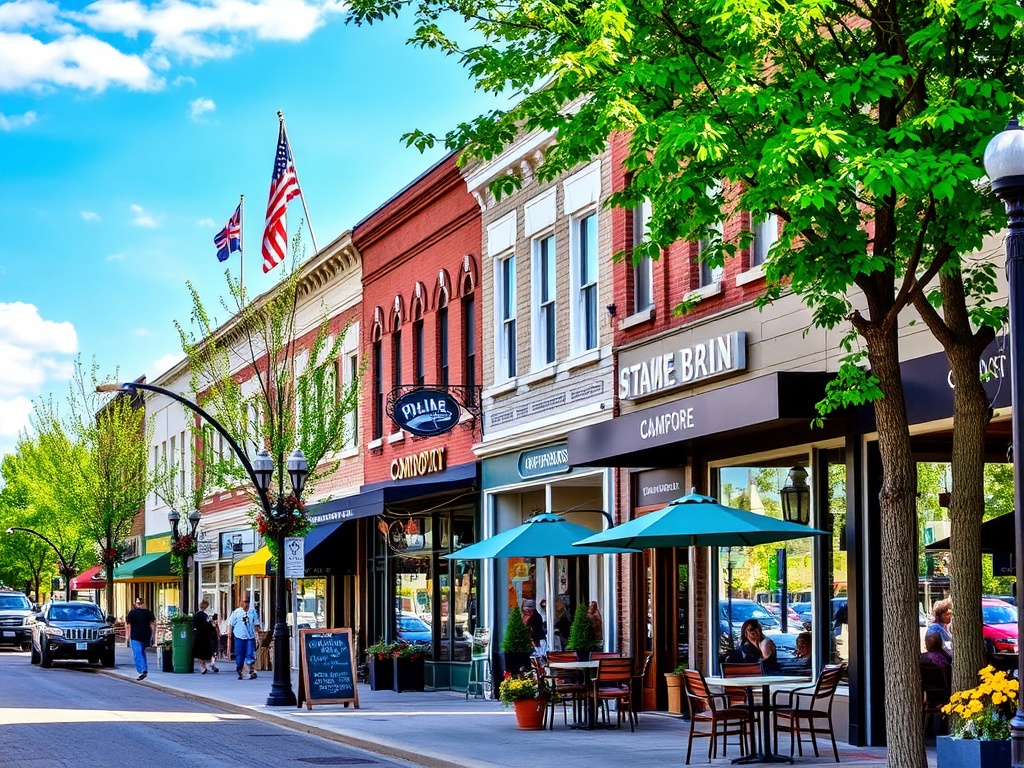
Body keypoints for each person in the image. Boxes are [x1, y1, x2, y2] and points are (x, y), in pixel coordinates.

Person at [228, 596, 261, 680]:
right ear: (241, 602)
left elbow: (256, 623)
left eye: (247, 602)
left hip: (250, 636)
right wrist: (229, 635)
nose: (246, 604)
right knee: (240, 655)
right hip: (239, 636)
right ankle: (240, 669)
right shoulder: (236, 612)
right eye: (244, 602)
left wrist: (257, 633)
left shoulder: (253, 612)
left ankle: (248, 671)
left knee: (250, 654)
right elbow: (230, 624)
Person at [125, 597, 156, 681]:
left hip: (135, 636)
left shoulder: (132, 613)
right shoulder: (149, 613)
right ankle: (144, 669)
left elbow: (128, 625)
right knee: (141, 652)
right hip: (145, 635)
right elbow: (153, 624)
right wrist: (153, 637)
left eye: (139, 603)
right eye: (139, 603)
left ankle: (142, 670)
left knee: (137, 653)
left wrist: (128, 636)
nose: (139, 605)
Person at [192, 600, 219, 674]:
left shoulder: (197, 615)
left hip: (198, 635)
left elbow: (194, 625)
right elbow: (209, 626)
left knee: (200, 651)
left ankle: (202, 666)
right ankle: (205, 666)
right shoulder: (205, 616)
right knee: (205, 651)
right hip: (205, 635)